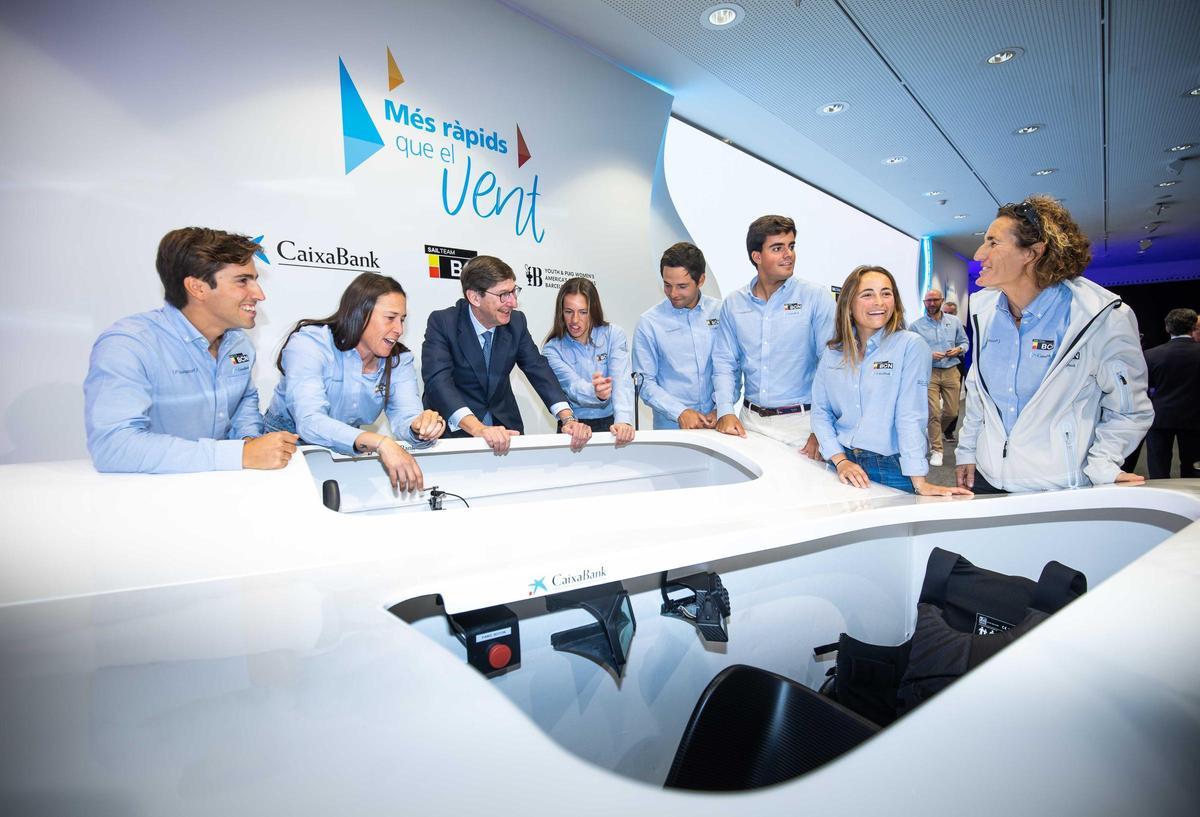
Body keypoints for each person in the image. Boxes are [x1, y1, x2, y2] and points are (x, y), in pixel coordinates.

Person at [956, 196, 1153, 493]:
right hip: (987, 479)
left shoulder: (1099, 316)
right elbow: (977, 397)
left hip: (1058, 486)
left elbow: (1129, 409)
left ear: (1032, 253)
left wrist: (1103, 463)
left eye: (993, 243)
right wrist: (967, 451)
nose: (980, 253)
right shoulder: (982, 311)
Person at [84, 227, 297, 473]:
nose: (259, 294)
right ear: (197, 288)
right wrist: (239, 454)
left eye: (255, 281)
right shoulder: (129, 344)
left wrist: (248, 439)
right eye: (242, 281)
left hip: (224, 490)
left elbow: (242, 403)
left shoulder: (239, 343)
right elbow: (114, 447)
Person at [264, 273, 445, 492]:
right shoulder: (310, 343)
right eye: (390, 318)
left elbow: (406, 416)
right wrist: (381, 442)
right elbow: (310, 420)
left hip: (345, 447)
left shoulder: (399, 360)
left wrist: (420, 428)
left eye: (402, 319)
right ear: (360, 314)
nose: (399, 329)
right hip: (282, 448)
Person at [812, 266, 971, 496]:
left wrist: (919, 481)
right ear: (848, 303)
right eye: (867, 294)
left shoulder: (910, 346)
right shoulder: (834, 352)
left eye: (886, 293)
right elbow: (820, 411)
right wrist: (839, 459)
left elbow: (910, 415)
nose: (879, 302)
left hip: (890, 467)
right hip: (840, 463)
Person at [421, 255, 591, 454]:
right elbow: (438, 383)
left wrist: (567, 418)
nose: (514, 303)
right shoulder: (443, 323)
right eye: (504, 295)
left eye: (514, 292)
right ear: (475, 297)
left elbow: (538, 369)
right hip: (457, 433)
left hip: (506, 430)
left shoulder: (516, 323)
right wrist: (478, 428)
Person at [712, 215, 837, 455]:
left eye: (791, 246)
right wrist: (726, 411)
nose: (788, 254)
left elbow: (832, 367)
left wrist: (822, 430)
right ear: (756, 256)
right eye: (777, 248)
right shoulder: (734, 304)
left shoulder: (815, 298)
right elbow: (725, 363)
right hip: (749, 424)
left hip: (802, 426)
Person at [633, 242, 721, 430]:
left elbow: (731, 367)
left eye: (682, 286)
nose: (673, 294)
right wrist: (679, 412)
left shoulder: (720, 313)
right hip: (671, 428)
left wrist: (722, 408)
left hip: (717, 424)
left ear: (701, 280)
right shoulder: (649, 323)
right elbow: (645, 382)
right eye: (667, 285)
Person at [542, 278, 635, 444]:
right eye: (569, 311)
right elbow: (572, 386)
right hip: (573, 426)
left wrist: (623, 421)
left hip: (612, 423)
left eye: (583, 312)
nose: (575, 320)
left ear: (593, 310)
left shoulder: (614, 335)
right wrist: (596, 393)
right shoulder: (552, 349)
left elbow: (622, 382)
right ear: (561, 313)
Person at [911, 288, 968, 466]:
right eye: (928, 301)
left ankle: (932, 432)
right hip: (929, 372)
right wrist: (928, 354)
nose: (932, 303)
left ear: (941, 300)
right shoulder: (916, 326)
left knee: (952, 412)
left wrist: (958, 350)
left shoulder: (954, 322)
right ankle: (937, 449)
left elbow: (964, 342)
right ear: (924, 303)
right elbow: (911, 351)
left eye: (935, 300)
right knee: (933, 412)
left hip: (951, 370)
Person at [1143, 308, 1200, 479]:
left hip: (1160, 417)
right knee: (1193, 469)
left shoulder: (1151, 355)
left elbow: (1143, 387)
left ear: (1167, 328)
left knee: (1158, 469)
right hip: (1195, 419)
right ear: (1193, 327)